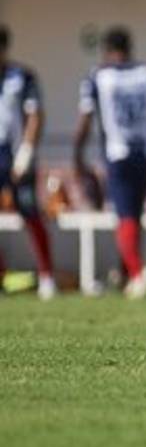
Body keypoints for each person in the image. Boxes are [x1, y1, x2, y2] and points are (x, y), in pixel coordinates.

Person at [72, 27, 146, 300]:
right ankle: (126, 274)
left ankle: (136, 274)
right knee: (135, 214)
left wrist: (77, 156)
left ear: (107, 49)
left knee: (125, 215)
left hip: (117, 152)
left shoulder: (99, 75)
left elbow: (85, 120)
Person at [0, 25, 57, 299]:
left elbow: (35, 115)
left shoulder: (21, 77)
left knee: (29, 211)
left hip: (14, 153)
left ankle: (47, 275)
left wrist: (25, 153)